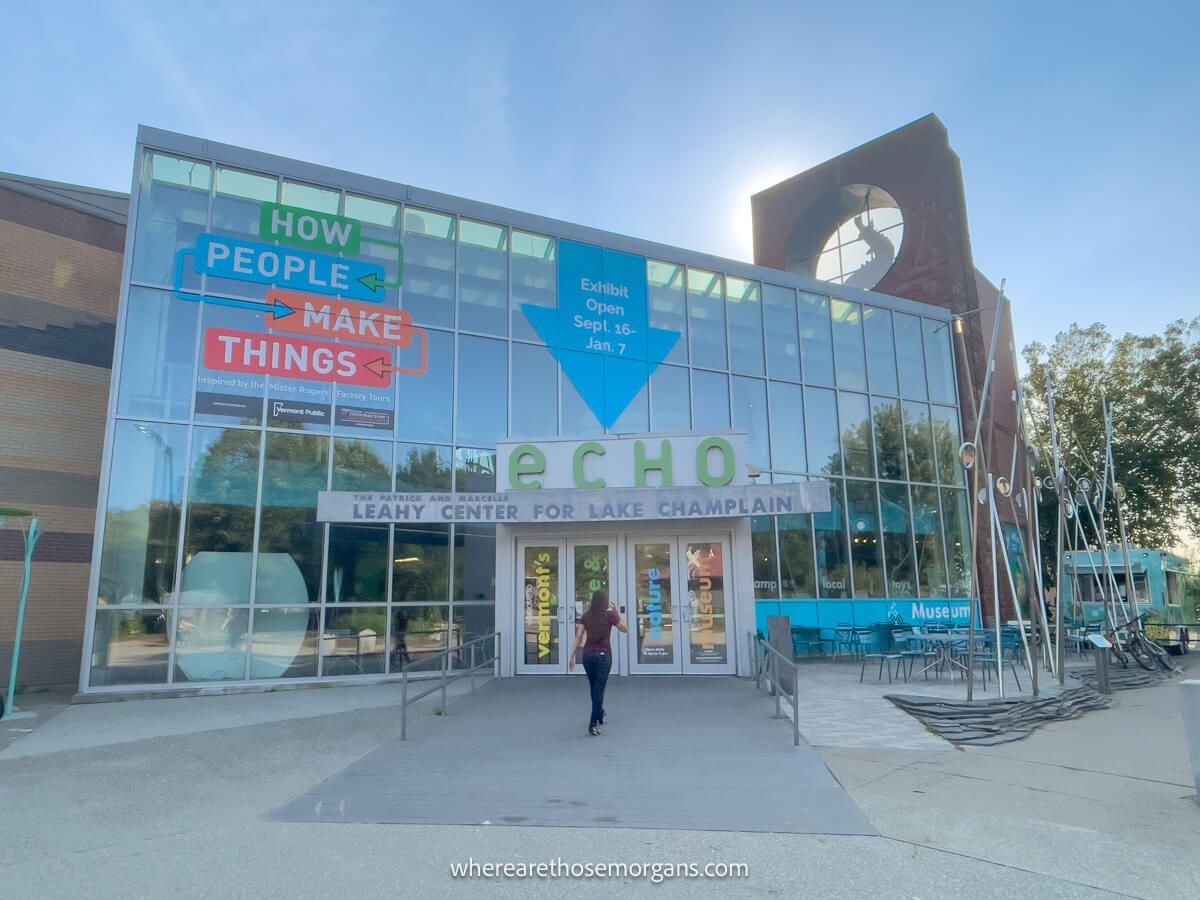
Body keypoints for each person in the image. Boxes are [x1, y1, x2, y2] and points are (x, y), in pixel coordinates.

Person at [567, 589, 627, 736]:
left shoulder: (586, 616)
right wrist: (617, 613)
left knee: (594, 687)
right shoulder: (609, 615)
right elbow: (625, 629)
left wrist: (572, 655)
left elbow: (578, 637)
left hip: (587, 656)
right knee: (598, 689)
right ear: (605, 601)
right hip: (603, 656)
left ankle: (599, 713)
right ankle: (593, 723)